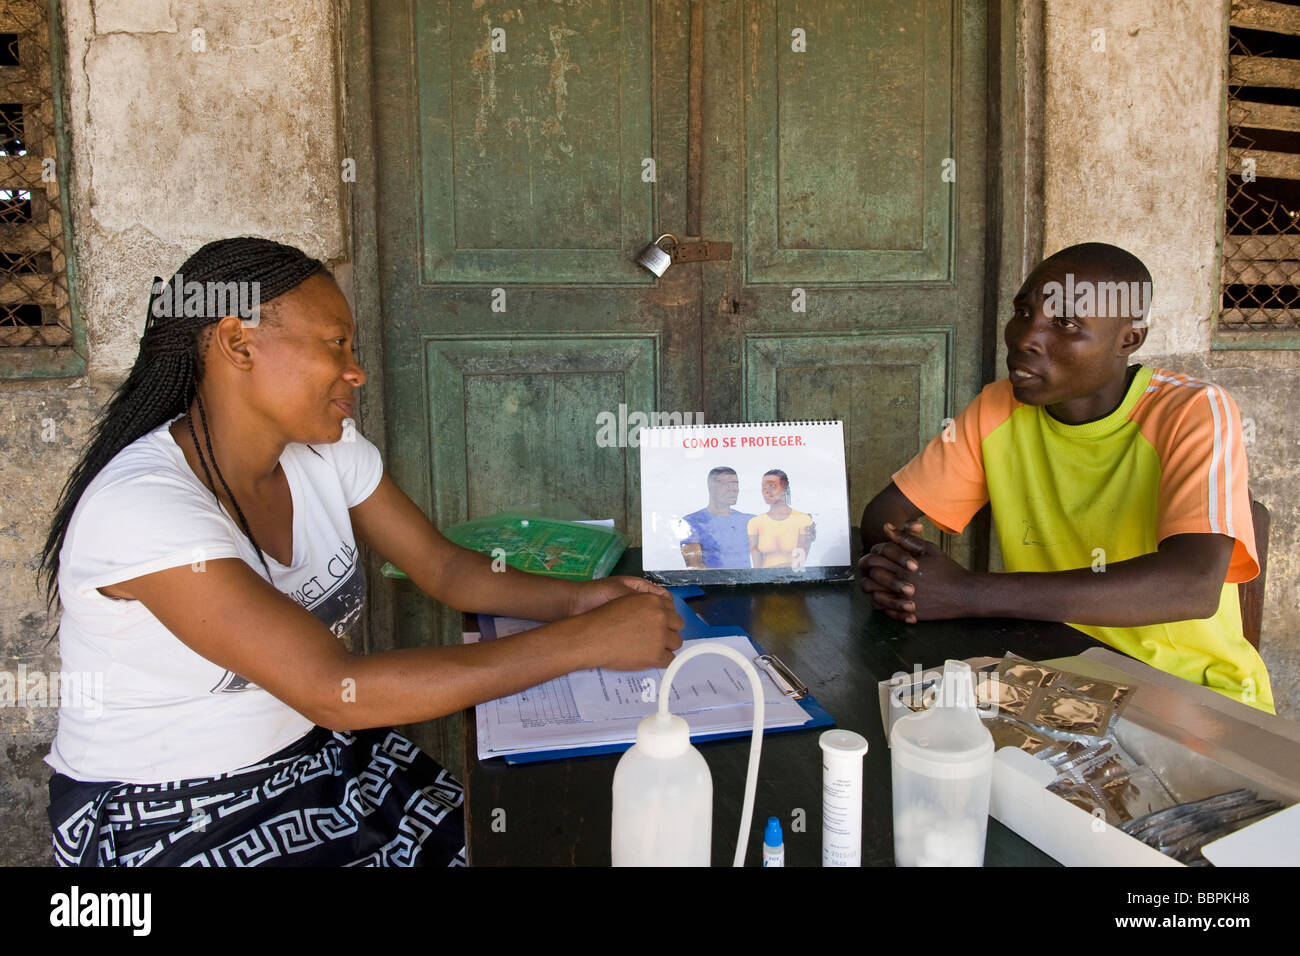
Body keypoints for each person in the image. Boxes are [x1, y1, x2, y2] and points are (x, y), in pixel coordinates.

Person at [38, 237, 684, 867]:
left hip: (323, 758)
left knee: (522, 842)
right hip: (173, 811)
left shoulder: (328, 449)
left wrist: (578, 600)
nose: (357, 371)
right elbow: (330, 690)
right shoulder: (144, 509)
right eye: (335, 344)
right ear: (239, 343)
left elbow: (444, 566)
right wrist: (584, 643)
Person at [858, 242, 1274, 713]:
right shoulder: (1000, 406)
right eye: (1023, 311)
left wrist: (966, 592)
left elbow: (1191, 585)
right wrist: (906, 574)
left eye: (1066, 323)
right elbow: (887, 512)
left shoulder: (1193, 410)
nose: (1025, 338)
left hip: (1186, 696)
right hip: (1047, 680)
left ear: (1128, 340)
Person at [679, 466, 754, 569]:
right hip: (711, 584)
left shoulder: (750, 521)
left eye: (735, 484)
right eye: (725, 484)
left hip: (750, 583)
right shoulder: (691, 522)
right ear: (711, 487)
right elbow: (694, 567)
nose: (732, 489)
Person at [747, 469, 815, 569]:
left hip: (793, 579)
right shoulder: (755, 523)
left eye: (771, 485)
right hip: (765, 581)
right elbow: (756, 568)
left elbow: (799, 563)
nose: (766, 490)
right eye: (763, 486)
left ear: (784, 488)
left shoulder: (803, 520)